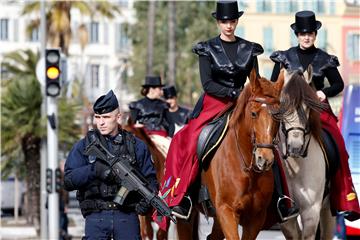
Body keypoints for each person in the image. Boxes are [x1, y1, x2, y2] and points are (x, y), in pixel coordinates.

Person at [154, 1, 297, 229]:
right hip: (214, 102)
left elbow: (255, 80)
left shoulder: (250, 48)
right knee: (188, 139)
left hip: (247, 104)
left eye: (232, 21)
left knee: (268, 142)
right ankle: (184, 197)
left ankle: (281, 199)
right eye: (224, 21)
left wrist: (251, 95)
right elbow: (207, 83)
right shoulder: (207, 48)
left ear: (236, 21)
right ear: (218, 22)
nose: (228, 25)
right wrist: (234, 92)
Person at [270, 10, 360, 220]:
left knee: (339, 146)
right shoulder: (284, 57)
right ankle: (271, 198)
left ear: (315, 35)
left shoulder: (325, 59)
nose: (306, 36)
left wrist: (323, 92)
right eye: (302, 33)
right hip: (289, 111)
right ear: (297, 35)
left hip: (318, 110)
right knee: (266, 143)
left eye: (310, 33)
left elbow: (338, 84)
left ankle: (344, 198)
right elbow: (274, 85)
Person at [64, 90, 158, 240]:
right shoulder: (85, 146)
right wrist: (94, 170)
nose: (100, 122)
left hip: (127, 217)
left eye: (106, 117)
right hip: (96, 217)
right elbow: (68, 180)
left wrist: (147, 201)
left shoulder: (136, 146)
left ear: (118, 117)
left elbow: (151, 180)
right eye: (98, 117)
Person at [129, 76, 171, 157]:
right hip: (142, 136)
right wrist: (136, 126)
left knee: (171, 153)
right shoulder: (136, 105)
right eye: (160, 89)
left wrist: (170, 137)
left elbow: (170, 124)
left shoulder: (165, 105)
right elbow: (131, 125)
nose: (161, 92)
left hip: (160, 137)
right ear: (152, 89)